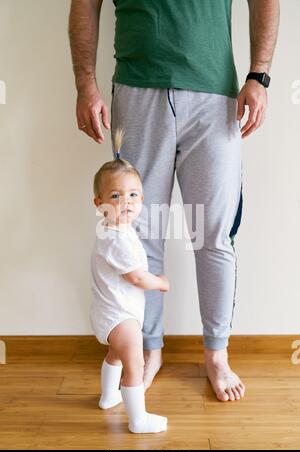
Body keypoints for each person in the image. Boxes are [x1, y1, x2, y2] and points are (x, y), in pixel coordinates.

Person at [69, 0, 280, 401]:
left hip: (215, 97)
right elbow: (84, 5)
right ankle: (147, 348)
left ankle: (216, 354)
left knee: (215, 235)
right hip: (136, 91)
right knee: (137, 232)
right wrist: (85, 82)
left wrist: (260, 75)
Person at [90, 128, 169, 433]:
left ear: (142, 198)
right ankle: (138, 420)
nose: (126, 202)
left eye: (133, 195)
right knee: (134, 364)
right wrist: (161, 282)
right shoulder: (116, 239)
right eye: (116, 196)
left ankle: (109, 397)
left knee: (116, 355)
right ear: (100, 203)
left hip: (111, 312)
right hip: (120, 316)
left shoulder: (118, 230)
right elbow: (136, 277)